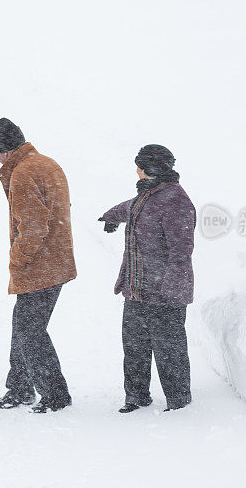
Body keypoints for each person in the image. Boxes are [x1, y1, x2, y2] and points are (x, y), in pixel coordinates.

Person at [98, 144, 196, 413]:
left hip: (165, 294)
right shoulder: (148, 194)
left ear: (152, 169)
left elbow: (181, 251)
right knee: (134, 349)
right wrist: (111, 216)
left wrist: (170, 290)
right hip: (137, 289)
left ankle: (179, 402)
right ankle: (136, 396)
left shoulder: (176, 201)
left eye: (140, 167)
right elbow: (130, 207)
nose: (137, 171)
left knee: (170, 352)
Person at [0, 117, 76, 414]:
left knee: (30, 332)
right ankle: (21, 388)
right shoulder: (47, 163)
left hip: (41, 266)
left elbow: (34, 227)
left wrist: (17, 259)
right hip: (57, 260)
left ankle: (55, 396)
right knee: (24, 328)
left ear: (6, 151)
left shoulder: (23, 174)